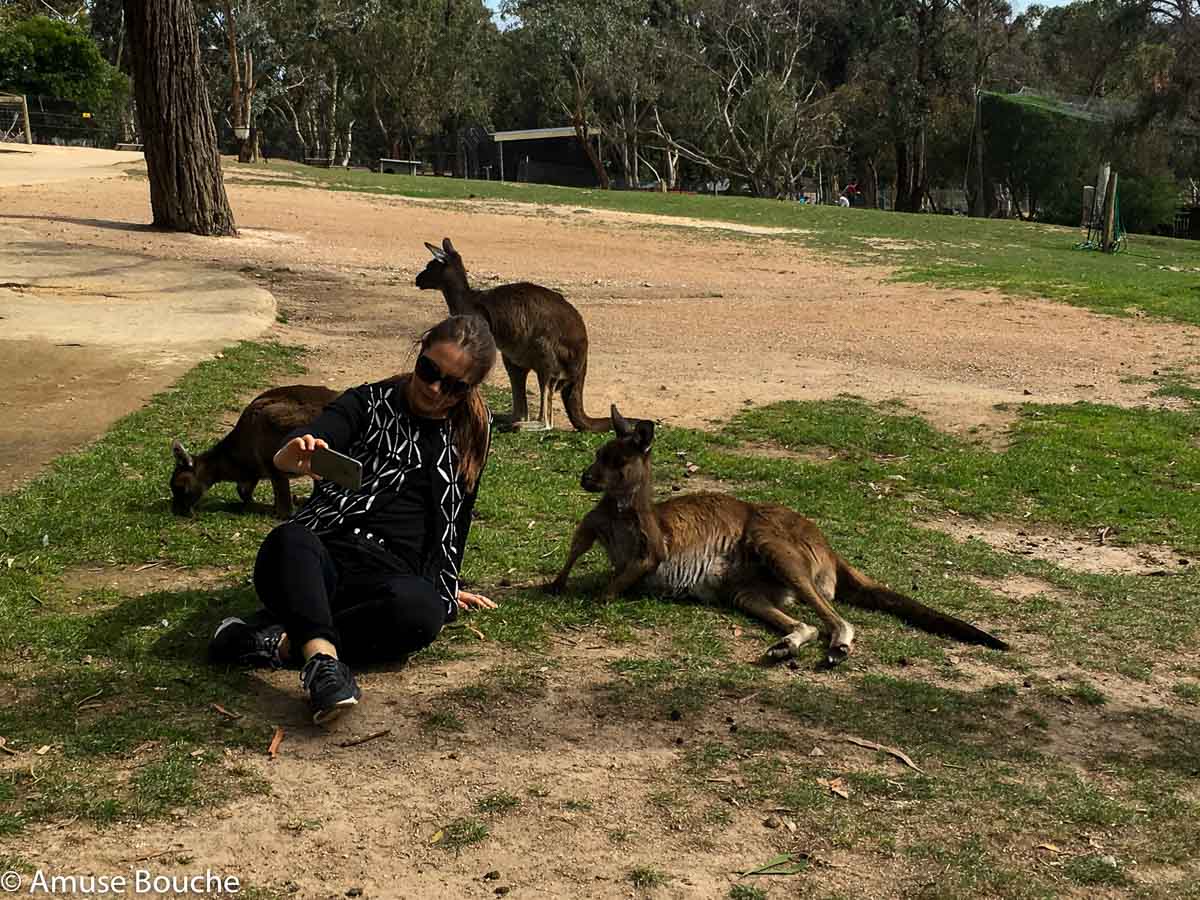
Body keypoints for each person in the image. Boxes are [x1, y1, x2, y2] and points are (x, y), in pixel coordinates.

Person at [208, 315, 499, 724]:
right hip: (320, 557)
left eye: (453, 385)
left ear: (470, 388)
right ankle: (324, 667)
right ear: (420, 351)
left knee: (423, 610)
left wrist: (445, 586)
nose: (435, 389)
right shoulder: (368, 402)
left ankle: (281, 643)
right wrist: (299, 451)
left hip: (388, 577)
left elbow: (458, 515)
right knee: (290, 541)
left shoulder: (471, 430)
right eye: (429, 370)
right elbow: (318, 435)